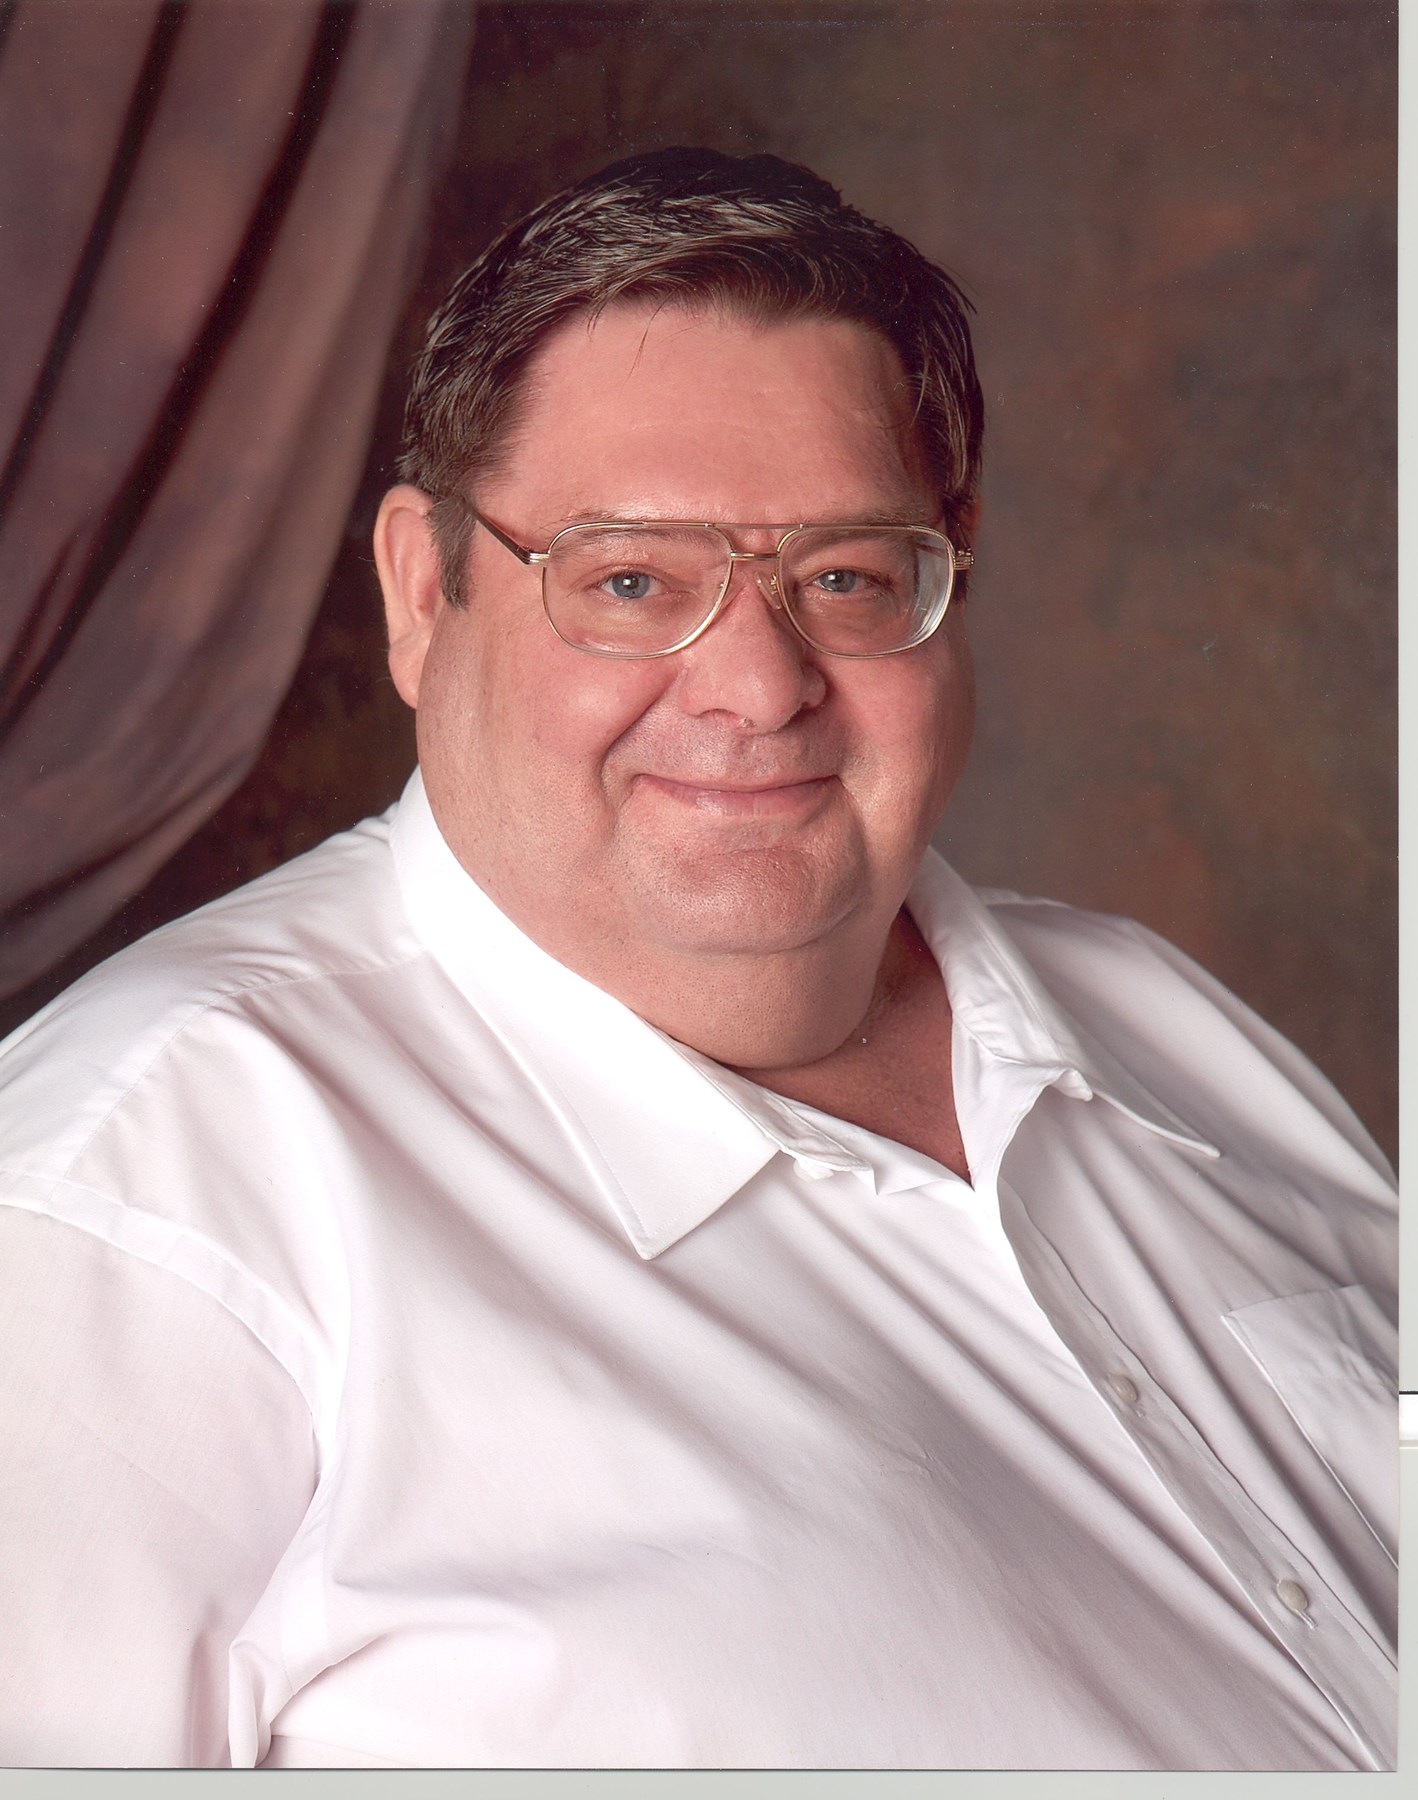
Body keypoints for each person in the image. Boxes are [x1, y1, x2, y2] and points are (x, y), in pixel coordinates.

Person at [0, 148, 1396, 1771]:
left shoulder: (1158, 1023)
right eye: (630, 581)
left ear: (949, 578)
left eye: (843, 577)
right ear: (422, 593)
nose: (754, 684)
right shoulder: (135, 1204)